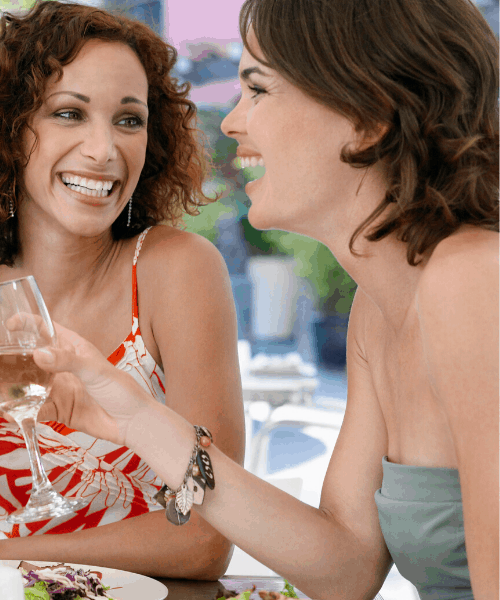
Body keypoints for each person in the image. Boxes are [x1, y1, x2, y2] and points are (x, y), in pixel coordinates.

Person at [28, 0, 499, 597]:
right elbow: (346, 566)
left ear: (369, 115)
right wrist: (139, 419)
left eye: (258, 89)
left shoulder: (472, 279)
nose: (229, 122)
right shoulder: (376, 313)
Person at [0, 0, 246, 579]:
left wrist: (2, 557)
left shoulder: (175, 270)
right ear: (8, 131)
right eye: (69, 113)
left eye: (129, 120)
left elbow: (211, 534)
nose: (104, 149)